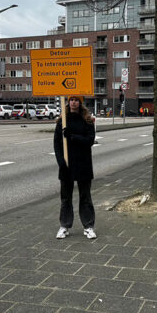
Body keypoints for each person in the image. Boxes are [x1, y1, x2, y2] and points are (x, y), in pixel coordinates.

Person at [54, 95, 97, 239]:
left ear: (80, 102)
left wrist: (73, 137)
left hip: (83, 163)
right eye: (71, 100)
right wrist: (61, 163)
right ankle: (64, 226)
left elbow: (90, 140)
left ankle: (88, 226)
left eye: (76, 100)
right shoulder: (62, 121)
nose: (73, 102)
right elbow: (57, 145)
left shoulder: (87, 120)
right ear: (68, 102)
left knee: (85, 196)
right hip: (67, 164)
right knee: (66, 198)